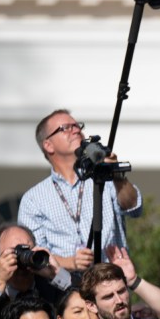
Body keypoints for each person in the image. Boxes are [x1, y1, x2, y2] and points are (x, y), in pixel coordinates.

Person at [17, 110, 141, 272]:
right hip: (64, 290)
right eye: (66, 128)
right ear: (48, 145)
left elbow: (134, 208)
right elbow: (33, 255)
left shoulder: (105, 177)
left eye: (77, 126)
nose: (76, 130)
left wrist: (116, 174)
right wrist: (70, 262)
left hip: (111, 283)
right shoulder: (33, 199)